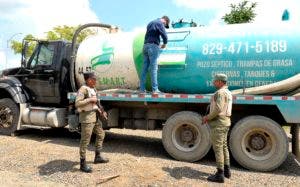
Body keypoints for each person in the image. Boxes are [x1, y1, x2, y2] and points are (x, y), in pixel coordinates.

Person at [75, 72, 109, 173]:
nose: (95, 81)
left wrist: (102, 111)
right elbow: (77, 103)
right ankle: (82, 163)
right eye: (93, 79)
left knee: (101, 134)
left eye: (95, 79)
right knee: (85, 140)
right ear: (88, 80)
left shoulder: (93, 89)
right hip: (87, 117)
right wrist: (90, 99)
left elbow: (97, 103)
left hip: (95, 116)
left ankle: (97, 156)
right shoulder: (83, 89)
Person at [202, 74, 232, 183]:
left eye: (215, 81)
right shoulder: (228, 92)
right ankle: (227, 171)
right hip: (226, 121)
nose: (213, 82)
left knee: (218, 148)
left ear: (220, 82)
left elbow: (218, 108)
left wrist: (207, 117)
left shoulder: (220, 93)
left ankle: (220, 174)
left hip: (219, 123)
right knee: (224, 146)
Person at [139, 15, 170, 93]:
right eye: (165, 25)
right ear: (165, 21)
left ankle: (142, 89)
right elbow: (164, 35)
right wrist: (165, 44)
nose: (164, 26)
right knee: (153, 68)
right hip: (153, 46)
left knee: (144, 69)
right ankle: (155, 89)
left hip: (145, 46)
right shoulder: (160, 23)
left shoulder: (150, 23)